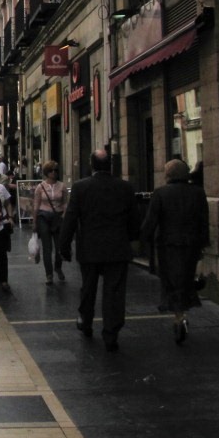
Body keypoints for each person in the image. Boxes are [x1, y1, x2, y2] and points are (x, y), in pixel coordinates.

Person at [62, 149, 140, 351]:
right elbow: (134, 219)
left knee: (88, 287)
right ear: (110, 166)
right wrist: (132, 238)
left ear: (92, 165)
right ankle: (111, 333)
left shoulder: (80, 187)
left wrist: (64, 245)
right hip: (117, 247)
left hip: (89, 247)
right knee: (114, 291)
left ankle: (86, 320)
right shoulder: (125, 187)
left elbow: (71, 217)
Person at [141, 159, 209, 344]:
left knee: (172, 280)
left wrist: (142, 238)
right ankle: (182, 313)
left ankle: (179, 317)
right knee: (186, 279)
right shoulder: (198, 192)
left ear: (168, 175)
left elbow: (151, 221)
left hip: (168, 245)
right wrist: (203, 243)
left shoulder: (161, 193)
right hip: (191, 244)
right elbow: (203, 220)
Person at [33, 160, 67, 285]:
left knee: (59, 247)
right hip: (43, 217)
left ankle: (58, 267)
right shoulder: (40, 187)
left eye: (56, 170)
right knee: (47, 248)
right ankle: (49, 274)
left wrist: (64, 214)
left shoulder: (62, 186)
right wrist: (34, 222)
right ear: (47, 172)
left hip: (58, 217)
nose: (54, 173)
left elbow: (65, 202)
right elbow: (36, 205)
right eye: (51, 170)